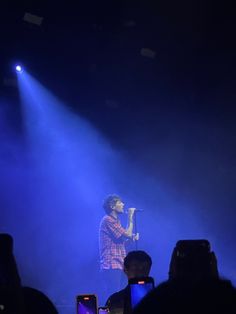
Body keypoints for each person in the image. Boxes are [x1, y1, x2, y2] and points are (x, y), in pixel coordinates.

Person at [99, 194, 139, 300]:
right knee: (113, 297)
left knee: (121, 297)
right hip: (111, 265)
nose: (123, 204)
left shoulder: (116, 222)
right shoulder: (108, 220)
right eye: (120, 202)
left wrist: (131, 239)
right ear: (112, 206)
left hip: (119, 264)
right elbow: (128, 233)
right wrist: (130, 217)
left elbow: (121, 244)